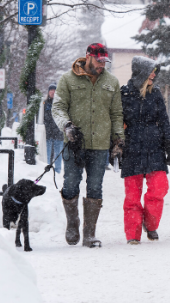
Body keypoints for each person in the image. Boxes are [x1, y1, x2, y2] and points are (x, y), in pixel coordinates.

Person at [52, 43, 125, 248]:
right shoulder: (67, 79)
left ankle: (89, 233)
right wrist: (66, 125)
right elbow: (58, 107)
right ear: (88, 57)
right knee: (70, 183)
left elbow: (116, 113)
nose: (102, 65)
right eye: (99, 61)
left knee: (95, 186)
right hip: (74, 142)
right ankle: (72, 223)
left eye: (104, 62)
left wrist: (118, 139)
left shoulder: (111, 81)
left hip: (100, 143)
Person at [120, 56, 170, 245]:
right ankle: (133, 234)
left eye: (155, 71)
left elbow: (164, 121)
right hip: (131, 149)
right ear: (140, 73)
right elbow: (116, 121)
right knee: (132, 196)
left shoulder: (156, 94)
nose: (154, 75)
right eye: (151, 71)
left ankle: (151, 224)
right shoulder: (124, 94)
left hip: (155, 148)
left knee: (159, 188)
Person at [44, 83, 63, 173]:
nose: (52, 92)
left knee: (58, 153)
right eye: (51, 90)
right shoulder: (45, 103)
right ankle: (47, 168)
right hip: (48, 132)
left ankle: (58, 169)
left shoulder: (60, 103)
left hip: (58, 133)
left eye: (54, 90)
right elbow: (43, 118)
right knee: (47, 153)